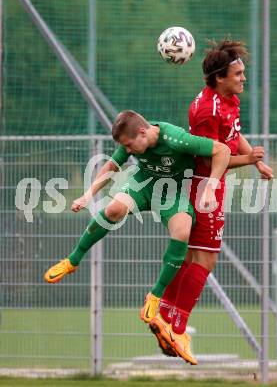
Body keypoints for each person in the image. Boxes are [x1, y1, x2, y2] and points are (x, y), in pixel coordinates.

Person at [43, 110, 231, 358]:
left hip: (174, 193)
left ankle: (155, 295)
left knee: (182, 231)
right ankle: (72, 260)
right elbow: (111, 166)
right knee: (113, 209)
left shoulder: (175, 138)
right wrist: (88, 194)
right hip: (143, 184)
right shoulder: (131, 144)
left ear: (143, 133)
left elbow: (223, 151)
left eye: (130, 146)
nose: (128, 151)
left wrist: (211, 186)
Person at [150, 39, 273, 365]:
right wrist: (247, 160)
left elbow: (231, 136)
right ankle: (176, 326)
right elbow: (210, 158)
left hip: (209, 183)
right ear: (220, 77)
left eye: (243, 72)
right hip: (205, 184)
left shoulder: (228, 100)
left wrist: (255, 160)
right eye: (238, 73)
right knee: (205, 260)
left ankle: (165, 313)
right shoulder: (208, 110)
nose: (243, 78)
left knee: (193, 257)